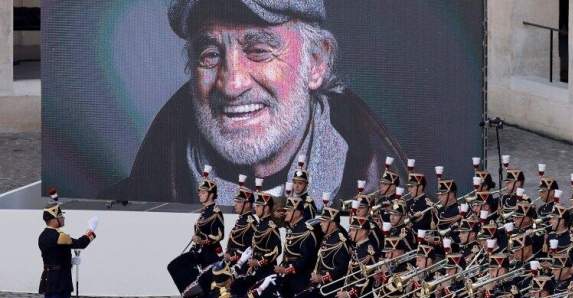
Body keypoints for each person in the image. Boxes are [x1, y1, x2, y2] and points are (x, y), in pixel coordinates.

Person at [110, 0, 405, 204]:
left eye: (259, 50)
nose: (232, 84)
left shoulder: (401, 218)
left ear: (315, 63)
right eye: (210, 54)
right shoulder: (124, 216)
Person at [38, 200, 95, 298]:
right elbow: (80, 243)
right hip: (60, 281)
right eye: (61, 216)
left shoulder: (43, 236)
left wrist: (71, 262)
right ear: (54, 219)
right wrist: (91, 231)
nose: (63, 219)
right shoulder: (59, 236)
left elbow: (56, 256)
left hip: (50, 278)